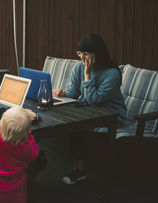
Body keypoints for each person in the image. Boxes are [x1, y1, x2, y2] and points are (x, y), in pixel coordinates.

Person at [53, 34, 127, 185]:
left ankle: (80, 171)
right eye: (80, 53)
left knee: (77, 127)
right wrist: (64, 93)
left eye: (86, 53)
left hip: (111, 115)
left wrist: (87, 75)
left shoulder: (112, 73)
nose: (82, 58)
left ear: (97, 53)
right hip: (90, 112)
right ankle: (79, 170)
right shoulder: (79, 66)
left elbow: (93, 99)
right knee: (71, 121)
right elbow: (74, 92)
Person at [0, 106, 39, 203]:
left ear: (0, 125)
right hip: (13, 194)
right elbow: (35, 153)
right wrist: (29, 136)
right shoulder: (26, 148)